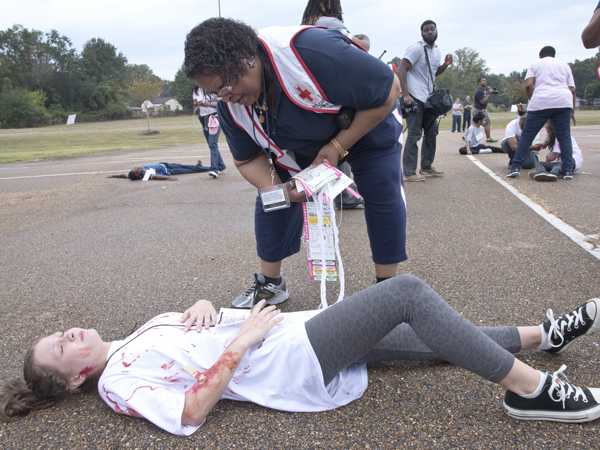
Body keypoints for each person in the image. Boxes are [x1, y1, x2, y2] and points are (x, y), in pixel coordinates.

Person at [2, 275, 600, 436]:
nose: (71, 331)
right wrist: (238, 342)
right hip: (290, 360)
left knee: (429, 338)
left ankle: (540, 336)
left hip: (293, 330)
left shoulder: (136, 335)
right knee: (408, 293)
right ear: (78, 377)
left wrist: (208, 303)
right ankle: (531, 392)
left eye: (61, 332)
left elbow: (189, 339)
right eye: (62, 346)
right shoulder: (116, 385)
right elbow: (187, 411)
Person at [184, 18, 406, 308]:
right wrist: (281, 189)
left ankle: (387, 289)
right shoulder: (231, 106)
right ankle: (270, 284)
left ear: (245, 59)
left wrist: (338, 145)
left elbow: (389, 89)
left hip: (366, 122)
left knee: (381, 187)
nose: (224, 98)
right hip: (301, 143)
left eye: (223, 86)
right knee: (271, 199)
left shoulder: (311, 52)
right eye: (214, 93)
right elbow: (248, 159)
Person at [301, 0, 366, 211]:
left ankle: (318, 194)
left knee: (318, 149)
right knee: (338, 147)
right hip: (334, 97)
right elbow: (359, 48)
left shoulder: (304, 25)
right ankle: (345, 196)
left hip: (312, 98)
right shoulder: (331, 22)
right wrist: (365, 39)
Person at [507, 46, 576, 179]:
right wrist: (572, 111)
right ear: (553, 55)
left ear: (540, 56)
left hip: (541, 101)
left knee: (527, 136)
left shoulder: (535, 64)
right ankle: (567, 171)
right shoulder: (565, 65)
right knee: (564, 137)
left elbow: (528, 85)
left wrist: (531, 99)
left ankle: (515, 167)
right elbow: (571, 89)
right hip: (563, 101)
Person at [398, 20, 453, 182]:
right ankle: (409, 172)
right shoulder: (416, 49)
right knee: (414, 134)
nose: (430, 32)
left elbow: (433, 73)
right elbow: (402, 69)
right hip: (414, 97)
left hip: (428, 99)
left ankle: (426, 166)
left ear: (436, 31)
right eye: (427, 30)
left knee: (432, 131)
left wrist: (445, 65)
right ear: (422, 33)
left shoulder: (436, 51)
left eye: (432, 29)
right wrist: (406, 95)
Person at [193, 86, 226, 179]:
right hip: (204, 119)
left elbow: (219, 104)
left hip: (214, 117)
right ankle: (221, 165)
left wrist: (207, 104)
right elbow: (194, 106)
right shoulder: (196, 90)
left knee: (212, 144)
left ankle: (214, 169)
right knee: (211, 144)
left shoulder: (212, 87)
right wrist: (195, 106)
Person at [108, 161, 209, 181]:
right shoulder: (146, 175)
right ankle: (209, 168)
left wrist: (113, 176)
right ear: (139, 176)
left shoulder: (131, 175)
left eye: (137, 167)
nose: (139, 168)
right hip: (168, 171)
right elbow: (156, 177)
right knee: (188, 170)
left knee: (184, 166)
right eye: (138, 170)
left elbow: (122, 175)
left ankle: (198, 166)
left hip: (163, 164)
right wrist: (168, 177)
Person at [473, 77, 498, 143]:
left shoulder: (483, 90)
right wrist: (488, 94)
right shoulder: (478, 91)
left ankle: (467, 136)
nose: (485, 82)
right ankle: (488, 138)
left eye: (485, 80)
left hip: (482, 109)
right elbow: (482, 101)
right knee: (484, 123)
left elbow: (488, 97)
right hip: (479, 109)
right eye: (483, 80)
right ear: (479, 82)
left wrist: (490, 92)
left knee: (477, 124)